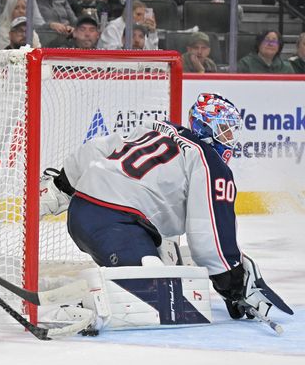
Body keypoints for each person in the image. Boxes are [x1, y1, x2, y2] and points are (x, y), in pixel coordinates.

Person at [39, 93, 291, 324]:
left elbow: (97, 148)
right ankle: (75, 306)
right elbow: (209, 230)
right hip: (115, 224)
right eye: (225, 131)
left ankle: (108, 283)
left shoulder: (157, 130)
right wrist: (232, 281)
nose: (231, 140)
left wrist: (62, 185)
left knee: (165, 261)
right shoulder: (209, 162)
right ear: (206, 127)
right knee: (162, 297)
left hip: (85, 214)